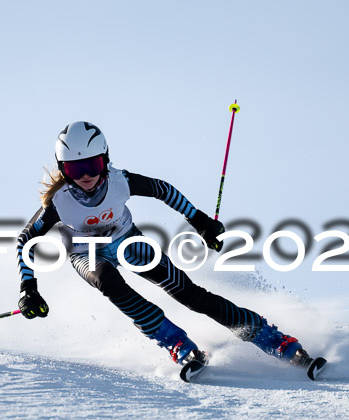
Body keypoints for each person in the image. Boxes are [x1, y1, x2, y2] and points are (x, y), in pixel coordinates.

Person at [16, 121, 317, 381]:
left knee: (191, 295)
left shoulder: (121, 182)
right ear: (63, 169)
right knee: (109, 283)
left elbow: (163, 189)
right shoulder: (59, 202)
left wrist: (199, 220)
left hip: (127, 241)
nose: (85, 176)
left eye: (92, 165)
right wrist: (28, 287)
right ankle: (178, 345)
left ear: (105, 160)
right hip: (86, 253)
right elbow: (26, 240)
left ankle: (275, 340)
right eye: (75, 168)